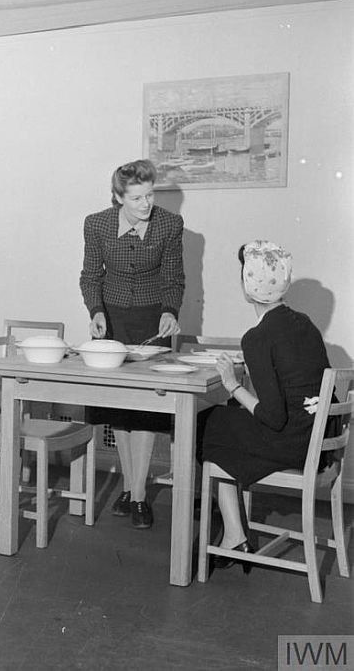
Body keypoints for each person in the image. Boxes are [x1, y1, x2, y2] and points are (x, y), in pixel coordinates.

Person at [201, 240, 332, 568]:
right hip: (319, 441)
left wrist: (231, 384)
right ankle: (235, 533)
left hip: (291, 444)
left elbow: (273, 417)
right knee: (225, 421)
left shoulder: (257, 337)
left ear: (248, 287)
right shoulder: (306, 324)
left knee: (207, 423)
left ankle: (234, 535)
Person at [79, 159, 184, 528]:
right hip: (111, 320)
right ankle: (131, 487)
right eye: (137, 197)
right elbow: (91, 276)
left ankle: (137, 496)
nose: (146, 203)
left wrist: (170, 310)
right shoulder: (97, 224)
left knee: (144, 411)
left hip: (151, 321)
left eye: (150, 194)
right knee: (117, 411)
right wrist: (95, 311)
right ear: (118, 197)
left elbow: (174, 277)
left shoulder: (170, 224)